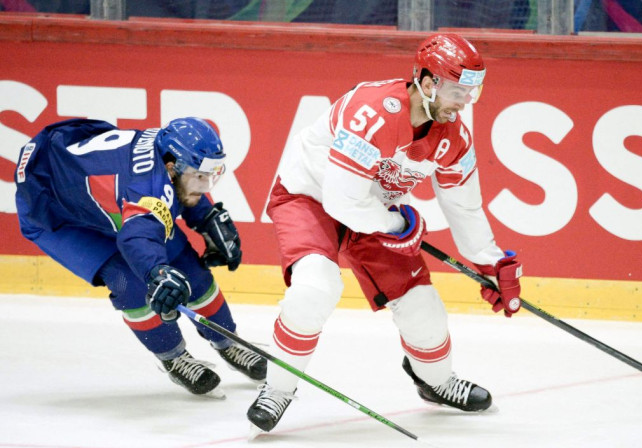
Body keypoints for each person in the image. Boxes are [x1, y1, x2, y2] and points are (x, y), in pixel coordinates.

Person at [248, 33, 523, 433]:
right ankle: (278, 388)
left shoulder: (453, 138)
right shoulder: (372, 111)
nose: (465, 102)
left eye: (472, 92)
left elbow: (463, 205)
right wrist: (398, 226)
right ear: (428, 83)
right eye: (457, 91)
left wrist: (491, 261)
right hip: (310, 198)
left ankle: (436, 382)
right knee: (314, 289)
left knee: (424, 308)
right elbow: (344, 203)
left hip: (373, 209)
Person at [14, 117, 268, 398]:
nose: (205, 183)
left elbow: (177, 193)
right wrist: (157, 272)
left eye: (210, 174)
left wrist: (205, 217)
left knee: (188, 268)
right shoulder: (148, 189)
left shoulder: (167, 151)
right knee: (129, 283)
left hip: (101, 195)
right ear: (172, 167)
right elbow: (136, 238)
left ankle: (226, 339)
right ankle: (173, 356)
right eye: (200, 176)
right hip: (57, 216)